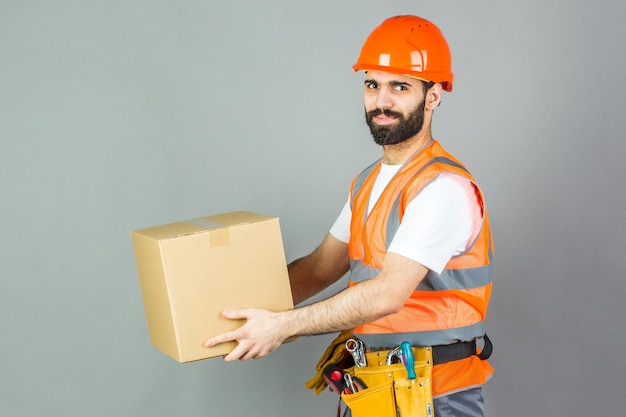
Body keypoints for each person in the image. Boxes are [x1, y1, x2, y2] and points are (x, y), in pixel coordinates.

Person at [204, 15, 494, 417]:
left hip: (432, 396)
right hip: (374, 390)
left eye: (400, 86)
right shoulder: (367, 182)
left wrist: (281, 326)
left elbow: (387, 293)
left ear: (433, 96)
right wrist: (220, 308)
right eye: (373, 84)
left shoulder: (443, 187)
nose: (382, 101)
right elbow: (319, 268)